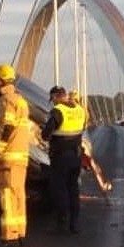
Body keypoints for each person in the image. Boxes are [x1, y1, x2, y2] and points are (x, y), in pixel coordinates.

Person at [0, 64, 30, 247]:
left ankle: (9, 236)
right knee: (18, 195)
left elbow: (7, 127)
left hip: (9, 157)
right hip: (20, 156)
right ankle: (20, 232)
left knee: (7, 196)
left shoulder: (6, 100)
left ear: (0, 81)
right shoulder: (20, 100)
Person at [41, 85, 87, 234]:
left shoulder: (57, 111)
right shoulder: (80, 110)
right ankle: (74, 223)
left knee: (59, 189)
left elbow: (45, 135)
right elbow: (83, 128)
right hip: (76, 155)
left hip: (61, 157)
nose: (52, 102)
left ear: (55, 96)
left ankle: (62, 223)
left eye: (52, 99)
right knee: (73, 189)